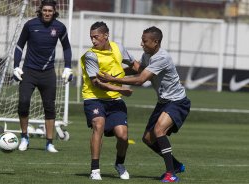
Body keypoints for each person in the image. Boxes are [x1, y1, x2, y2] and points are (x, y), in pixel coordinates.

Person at [97, 26, 191, 183]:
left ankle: (170, 174)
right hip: (163, 102)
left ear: (156, 42)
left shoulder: (162, 57)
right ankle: (175, 164)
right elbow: (139, 69)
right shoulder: (148, 54)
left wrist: (112, 79)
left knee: (159, 130)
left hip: (177, 101)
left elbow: (141, 79)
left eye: (145, 41)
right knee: (148, 139)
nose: (141, 44)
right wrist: (117, 72)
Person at [13, 0, 73, 153]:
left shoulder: (60, 27)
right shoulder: (30, 25)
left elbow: (66, 47)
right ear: (40, 11)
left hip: (48, 73)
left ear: (54, 12)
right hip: (29, 72)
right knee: (23, 103)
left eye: (50, 11)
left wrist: (67, 67)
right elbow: (19, 45)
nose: (47, 13)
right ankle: (24, 137)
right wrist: (15, 66)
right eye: (45, 10)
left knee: (49, 107)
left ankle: (49, 143)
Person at [80, 21, 136, 180]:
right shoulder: (90, 55)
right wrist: (121, 89)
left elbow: (135, 65)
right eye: (91, 37)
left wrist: (148, 73)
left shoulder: (118, 48)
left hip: (114, 101)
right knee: (98, 124)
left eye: (96, 37)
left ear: (106, 36)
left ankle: (119, 164)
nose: (93, 41)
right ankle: (95, 170)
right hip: (94, 98)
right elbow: (96, 83)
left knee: (123, 136)